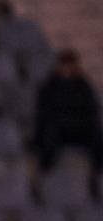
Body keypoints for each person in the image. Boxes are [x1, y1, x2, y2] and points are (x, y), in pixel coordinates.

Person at [34, 50, 103, 180]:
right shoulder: (49, 87)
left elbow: (91, 109)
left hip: (79, 128)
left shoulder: (83, 85)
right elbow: (44, 112)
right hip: (59, 128)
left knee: (97, 134)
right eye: (65, 64)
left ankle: (98, 173)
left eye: (70, 64)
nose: (67, 68)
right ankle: (46, 172)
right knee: (49, 132)